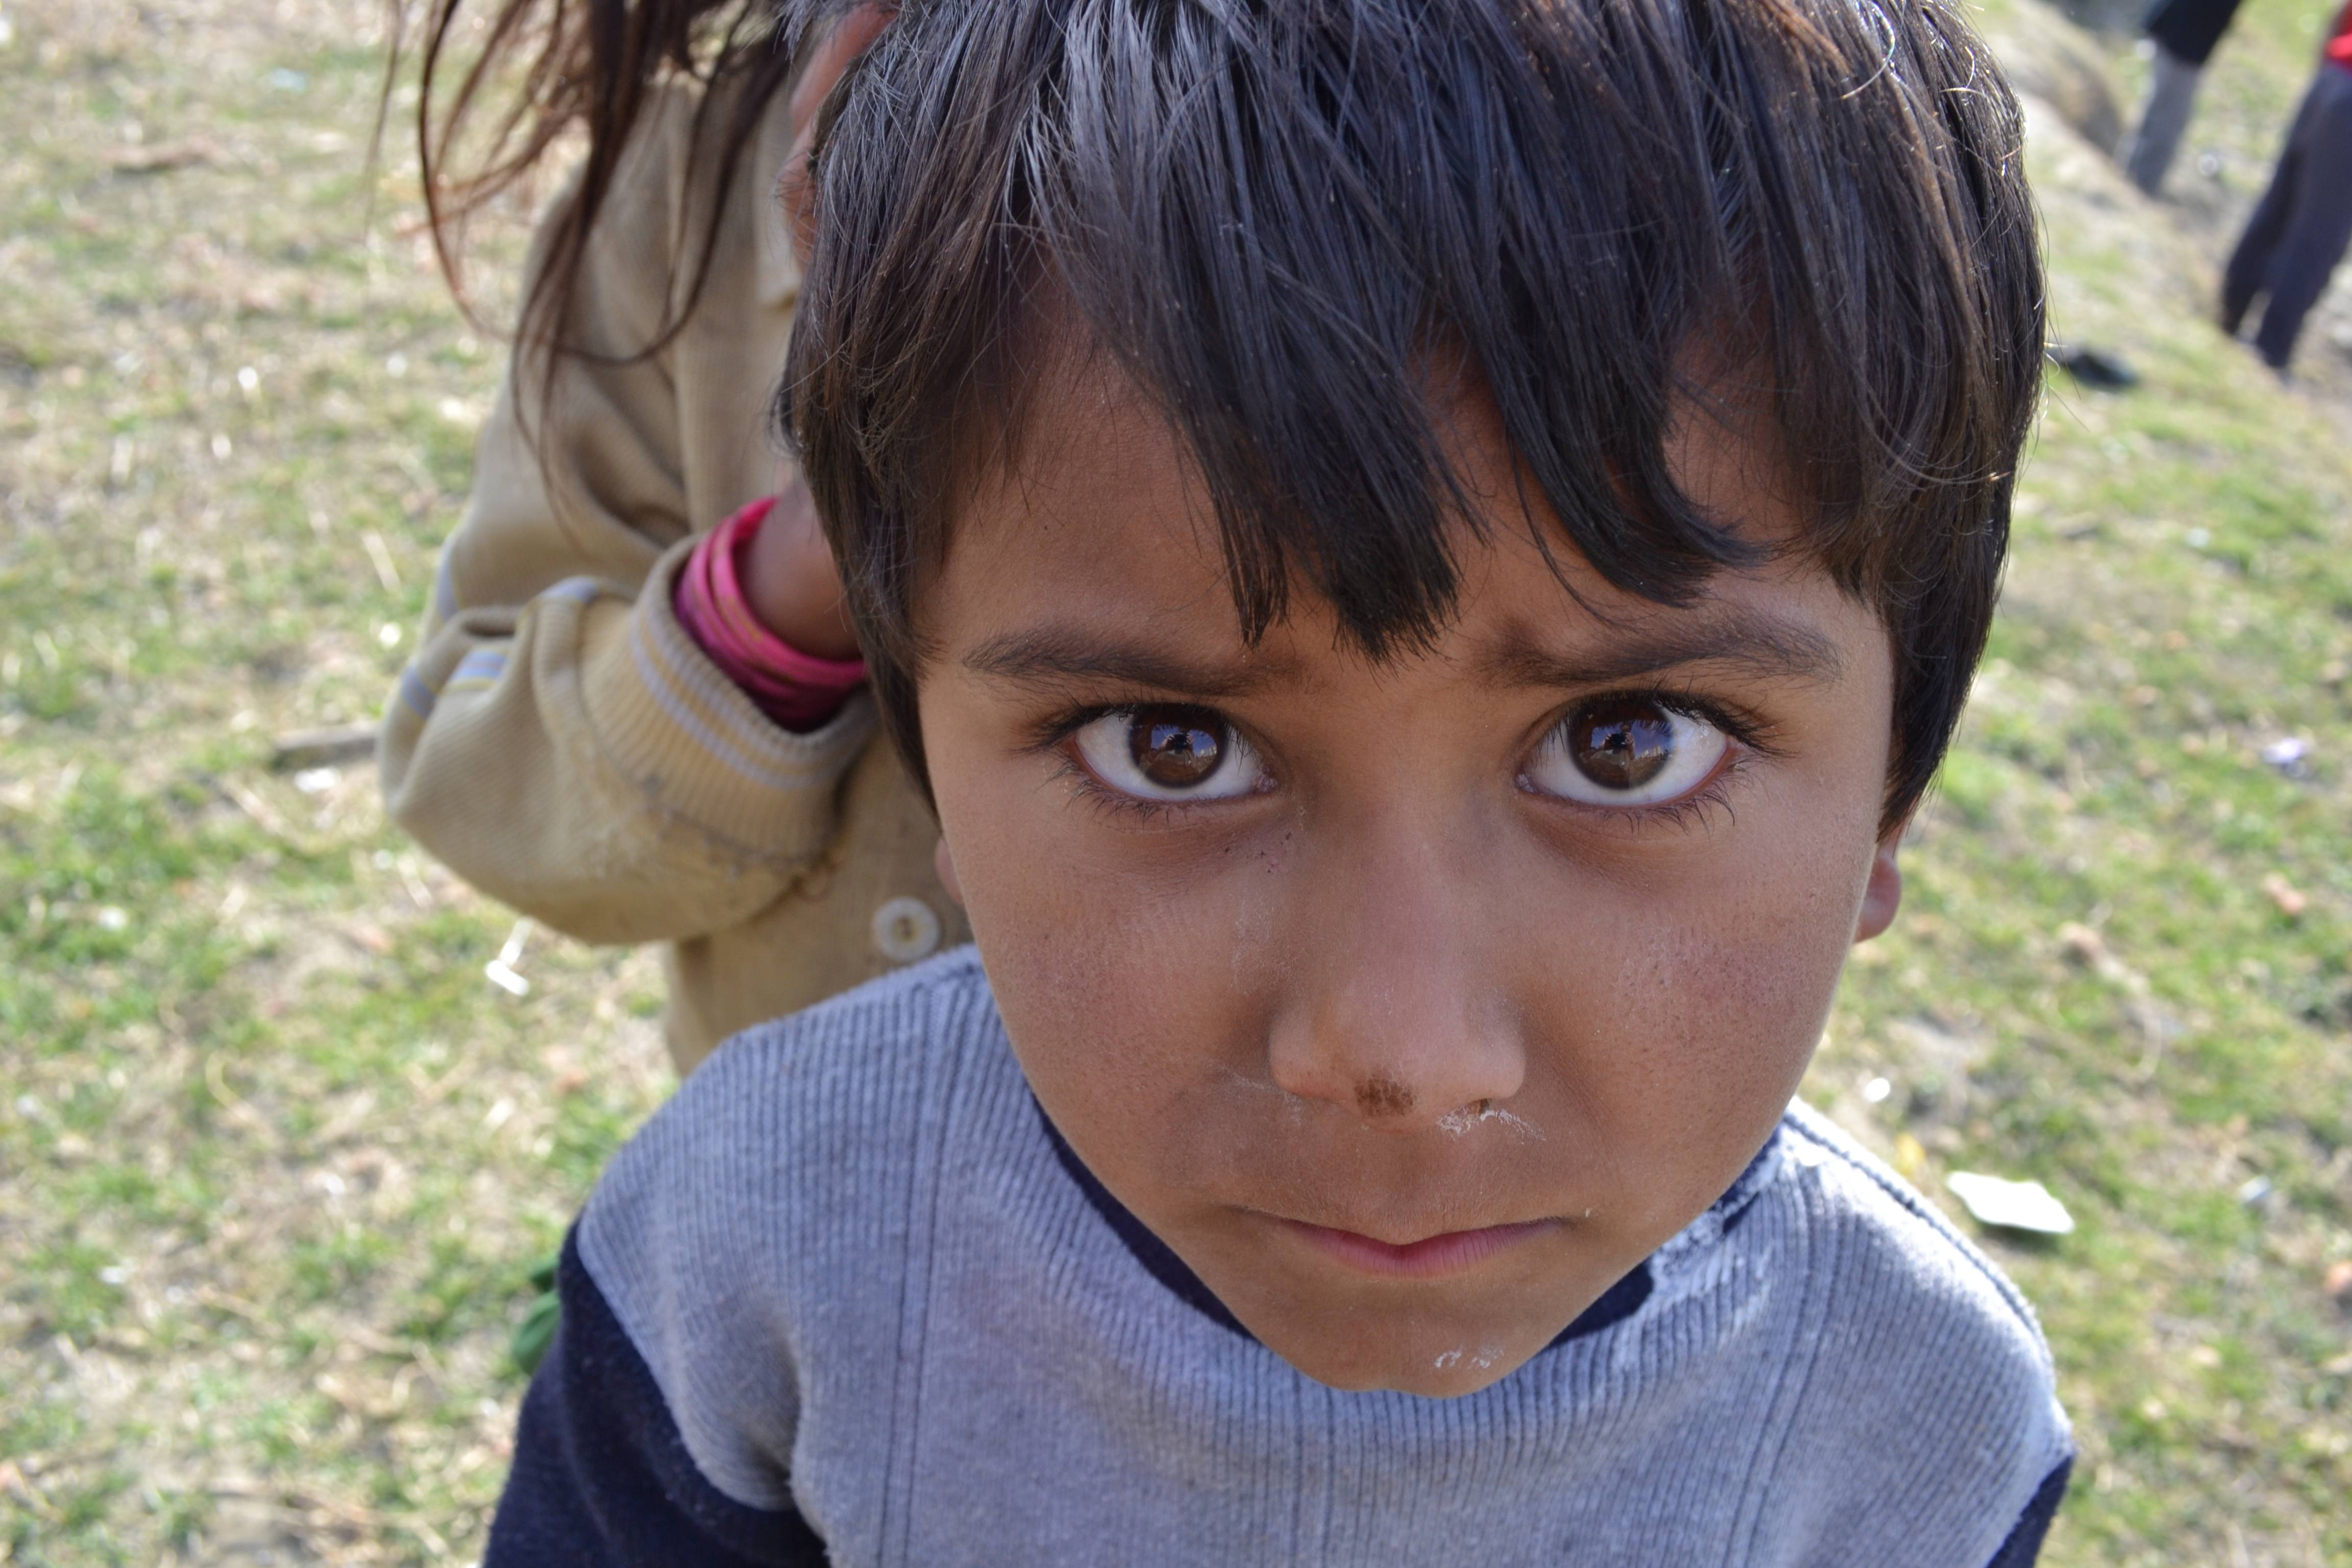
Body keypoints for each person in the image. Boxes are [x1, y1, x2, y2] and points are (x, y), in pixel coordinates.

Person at [483, 0, 2074, 1561]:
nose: (1399, 1051)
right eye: (1177, 746)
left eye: (1628, 743)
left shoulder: (1923, 1433)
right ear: (934, 769)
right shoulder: (752, 1246)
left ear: (1892, 788)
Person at [378, 1, 962, 1078]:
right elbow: (474, 774)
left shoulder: (1361, 181)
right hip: (798, 1195)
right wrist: (779, 601)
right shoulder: (675, 204)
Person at [2221, 0, 2352, 371]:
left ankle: (2230, 309)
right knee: (2318, 238)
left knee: (2280, 204)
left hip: (2332, 80)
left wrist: (2326, 78)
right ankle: (2270, 350)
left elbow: (2340, 14)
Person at [2121, 0, 2248, 195]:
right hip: (2183, 44)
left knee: (2161, 116)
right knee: (2167, 123)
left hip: (2182, 41)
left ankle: (2132, 181)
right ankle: (2138, 187)